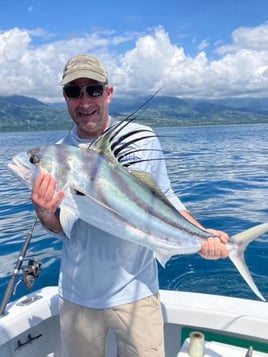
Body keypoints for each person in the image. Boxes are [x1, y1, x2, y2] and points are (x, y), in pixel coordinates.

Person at [31, 54, 229, 357]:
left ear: (108, 93)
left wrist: (204, 235)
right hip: (78, 297)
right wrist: (44, 210)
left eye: (93, 90)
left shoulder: (141, 138)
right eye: (74, 91)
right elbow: (60, 226)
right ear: (65, 98)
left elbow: (165, 198)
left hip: (138, 294)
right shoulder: (58, 156)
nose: (85, 102)